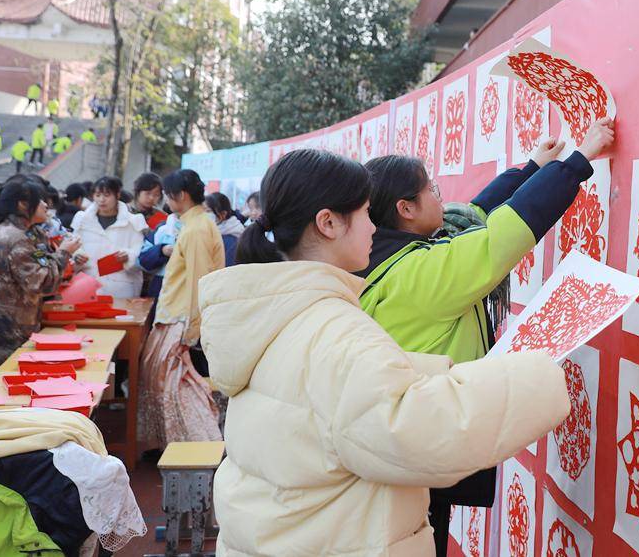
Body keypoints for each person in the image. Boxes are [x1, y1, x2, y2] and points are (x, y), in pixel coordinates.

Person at [198, 149, 569, 555]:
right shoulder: (336, 332)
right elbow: (421, 434)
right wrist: (537, 371)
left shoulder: (282, 314)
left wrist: (426, 371)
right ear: (328, 223)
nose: (374, 227)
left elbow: (334, 399)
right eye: (366, 214)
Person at [359, 118, 614, 555]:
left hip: (405, 440)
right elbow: (497, 237)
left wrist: (534, 166)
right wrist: (578, 161)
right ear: (406, 209)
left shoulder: (389, 252)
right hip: (420, 444)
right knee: (422, 536)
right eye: (432, 190)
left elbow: (473, 216)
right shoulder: (417, 273)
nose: (441, 196)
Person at [139, 169, 224, 449]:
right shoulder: (195, 224)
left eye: (167, 195)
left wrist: (190, 330)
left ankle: (200, 442)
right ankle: (175, 443)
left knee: (176, 385)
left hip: (180, 318)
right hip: (176, 314)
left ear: (181, 196)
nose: (165, 200)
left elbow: (200, 281)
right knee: (165, 381)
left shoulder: (198, 229)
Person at [0, 176, 82, 389]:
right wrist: (63, 253)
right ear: (23, 205)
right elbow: (42, 283)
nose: (45, 205)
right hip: (0, 337)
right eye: (40, 200)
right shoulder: (16, 238)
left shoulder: (20, 233)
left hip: (1, 333)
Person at [71, 176, 147, 299]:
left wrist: (128, 256)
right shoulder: (82, 220)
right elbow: (73, 248)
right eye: (97, 195)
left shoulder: (133, 222)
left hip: (121, 288)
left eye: (107, 195)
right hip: (87, 287)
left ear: (117, 195)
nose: (102, 200)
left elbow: (140, 253)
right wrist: (77, 257)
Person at [203, 192, 244, 267]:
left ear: (223, 214)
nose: (204, 215)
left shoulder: (231, 239)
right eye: (202, 211)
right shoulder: (211, 233)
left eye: (208, 211)